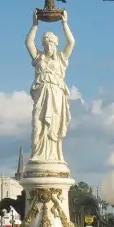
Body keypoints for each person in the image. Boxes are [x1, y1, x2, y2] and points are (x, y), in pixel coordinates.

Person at [25, 10, 75, 163]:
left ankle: (54, 157)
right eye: (46, 44)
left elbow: (71, 42)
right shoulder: (38, 57)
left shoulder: (61, 58)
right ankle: (37, 155)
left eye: (51, 44)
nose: (48, 47)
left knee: (53, 127)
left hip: (56, 97)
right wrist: (35, 25)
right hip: (41, 94)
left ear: (55, 45)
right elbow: (28, 43)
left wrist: (64, 24)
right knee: (37, 125)